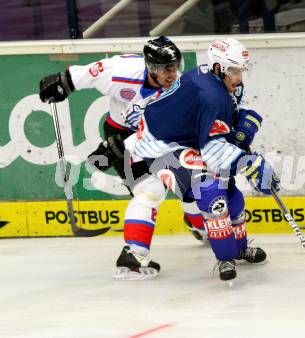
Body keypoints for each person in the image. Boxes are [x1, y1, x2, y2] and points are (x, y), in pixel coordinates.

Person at [118, 37, 279, 282]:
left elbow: (236, 106)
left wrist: (246, 124)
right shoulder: (210, 94)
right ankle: (224, 258)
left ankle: (237, 248)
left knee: (229, 190)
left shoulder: (221, 81)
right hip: (158, 146)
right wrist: (250, 164)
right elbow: (214, 152)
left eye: (241, 70)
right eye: (235, 71)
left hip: (185, 139)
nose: (240, 77)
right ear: (218, 68)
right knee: (211, 191)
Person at [38, 36, 206, 241]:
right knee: (149, 189)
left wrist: (122, 146)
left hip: (160, 137)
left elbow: (175, 130)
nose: (173, 74)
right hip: (119, 131)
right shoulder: (122, 71)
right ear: (151, 67)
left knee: (189, 186)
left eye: (175, 66)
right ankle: (134, 253)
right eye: (166, 69)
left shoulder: (179, 89)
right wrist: (64, 82)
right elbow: (88, 74)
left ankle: (200, 226)